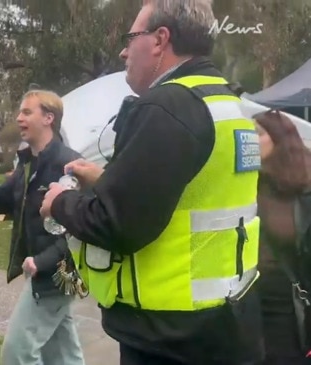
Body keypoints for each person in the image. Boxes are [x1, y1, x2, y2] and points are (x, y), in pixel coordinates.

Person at [39, 0, 264, 364]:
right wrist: (108, 180)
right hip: (226, 321)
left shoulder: (166, 106)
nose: (124, 50)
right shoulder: (226, 103)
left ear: (160, 40)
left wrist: (59, 204)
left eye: (132, 37)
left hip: (170, 337)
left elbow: (116, 223)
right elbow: (194, 190)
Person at [0, 89, 85, 365]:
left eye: (27, 112)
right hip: (44, 270)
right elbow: (3, 204)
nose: (18, 117)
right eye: (19, 112)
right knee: (62, 356)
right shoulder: (27, 164)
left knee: (17, 352)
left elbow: (80, 228)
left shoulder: (68, 165)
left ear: (48, 117)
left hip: (60, 272)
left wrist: (43, 261)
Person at [254, 110, 311, 364]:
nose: (248, 140)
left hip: (288, 310)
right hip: (245, 307)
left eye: (257, 133)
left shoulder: (303, 191)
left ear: (280, 140)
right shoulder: (244, 184)